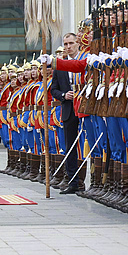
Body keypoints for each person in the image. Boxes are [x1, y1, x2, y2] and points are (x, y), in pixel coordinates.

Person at [49, 32, 84, 193]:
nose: (68, 47)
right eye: (66, 44)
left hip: (85, 106)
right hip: (69, 108)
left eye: (71, 43)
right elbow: (53, 90)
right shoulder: (60, 66)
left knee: (88, 145)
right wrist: (64, 95)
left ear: (78, 43)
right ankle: (72, 181)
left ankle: (88, 180)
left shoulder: (86, 59)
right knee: (70, 146)